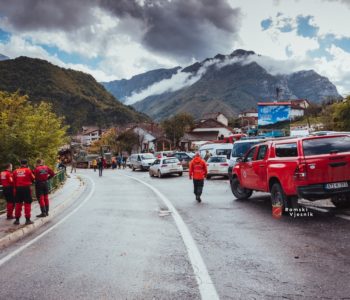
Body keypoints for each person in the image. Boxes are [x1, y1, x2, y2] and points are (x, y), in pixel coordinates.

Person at [13, 159, 35, 225]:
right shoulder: (28, 170)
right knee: (27, 204)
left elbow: (13, 180)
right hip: (26, 188)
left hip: (18, 189)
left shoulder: (15, 171)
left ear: (20, 163)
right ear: (26, 163)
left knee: (18, 204)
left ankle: (17, 220)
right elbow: (33, 178)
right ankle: (27, 220)